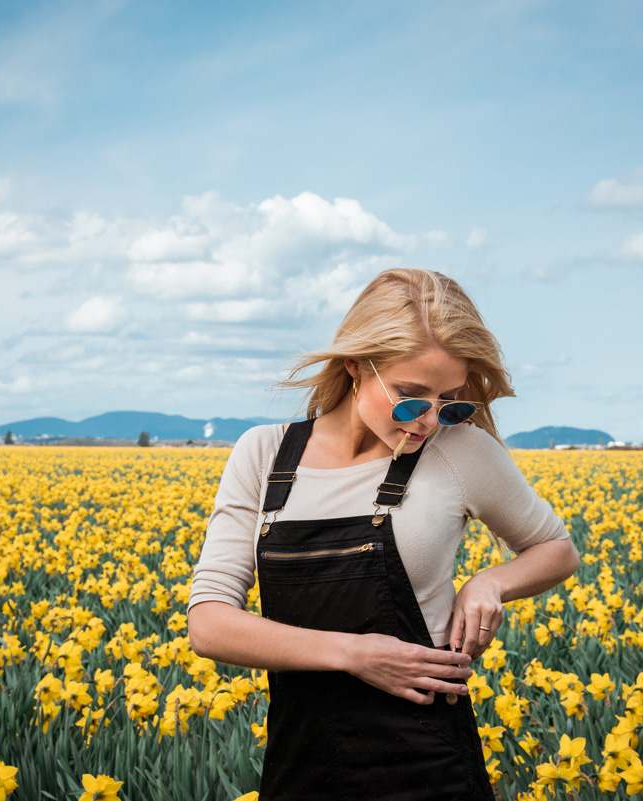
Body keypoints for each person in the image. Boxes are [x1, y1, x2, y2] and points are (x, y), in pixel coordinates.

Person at [188, 268, 579, 800]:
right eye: (412, 397)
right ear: (354, 365)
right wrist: (355, 654)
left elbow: (556, 549)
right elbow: (209, 626)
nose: (430, 421)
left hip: (429, 766)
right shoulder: (263, 455)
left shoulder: (462, 451)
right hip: (301, 764)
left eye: (451, 400)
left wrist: (489, 583)